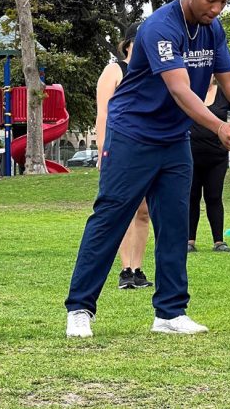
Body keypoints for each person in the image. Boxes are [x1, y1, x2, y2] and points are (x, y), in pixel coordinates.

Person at [64, 0, 230, 338]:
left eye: (223, 1)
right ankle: (80, 308)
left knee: (175, 224)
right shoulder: (160, 26)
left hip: (175, 139)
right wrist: (219, 127)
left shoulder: (214, 29)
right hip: (133, 135)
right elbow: (179, 88)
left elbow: (229, 78)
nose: (217, 8)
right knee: (111, 217)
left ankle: (170, 313)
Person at [94, 21, 153, 290]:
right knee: (120, 209)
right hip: (118, 148)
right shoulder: (114, 70)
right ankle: (124, 270)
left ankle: (137, 269)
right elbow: (103, 114)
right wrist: (102, 150)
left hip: (147, 149)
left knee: (143, 212)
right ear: (129, 43)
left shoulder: (154, 73)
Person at [188, 76, 230, 253]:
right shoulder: (189, 93)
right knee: (192, 197)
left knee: (214, 197)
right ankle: (189, 241)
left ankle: (218, 242)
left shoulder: (223, 94)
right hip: (190, 155)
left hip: (217, 156)